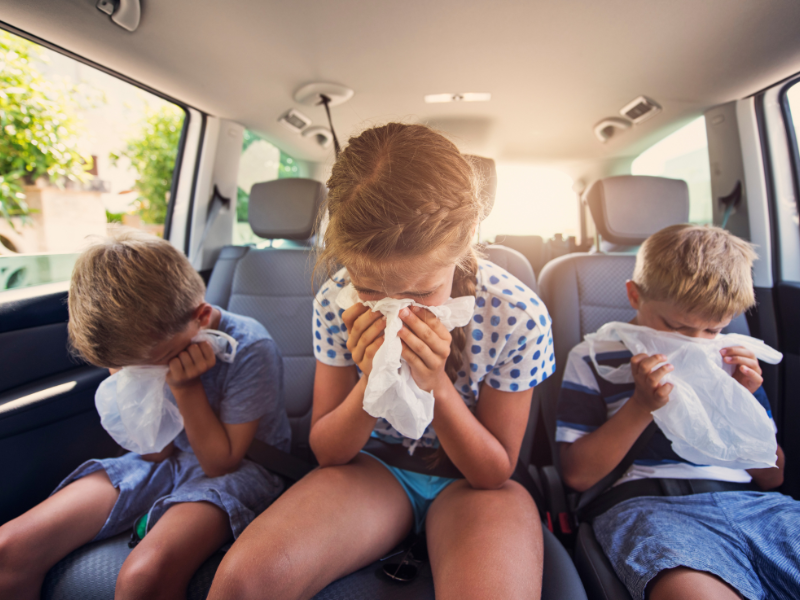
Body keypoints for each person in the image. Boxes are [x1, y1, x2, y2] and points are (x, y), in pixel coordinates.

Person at [208, 123, 553, 600]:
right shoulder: (335, 300)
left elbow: (494, 472)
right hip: (373, 468)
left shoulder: (518, 315)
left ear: (468, 237)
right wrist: (372, 379)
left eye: (421, 291)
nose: (397, 310)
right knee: (241, 586)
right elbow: (328, 451)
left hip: (472, 486)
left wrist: (437, 385)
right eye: (370, 290)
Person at [0, 228, 290, 600]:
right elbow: (153, 451)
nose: (140, 373)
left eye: (151, 364)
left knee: (143, 575)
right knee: (9, 548)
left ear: (200, 317)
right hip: (163, 460)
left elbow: (222, 464)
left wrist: (185, 389)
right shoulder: (132, 347)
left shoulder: (250, 347)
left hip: (243, 469)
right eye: (127, 368)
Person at [557, 224, 800, 600]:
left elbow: (772, 477)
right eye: (677, 327)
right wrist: (641, 405)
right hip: (649, 506)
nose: (695, 342)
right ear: (634, 296)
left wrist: (742, 401)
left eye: (713, 329)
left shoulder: (730, 359)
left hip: (755, 505)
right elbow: (577, 475)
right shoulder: (593, 357)